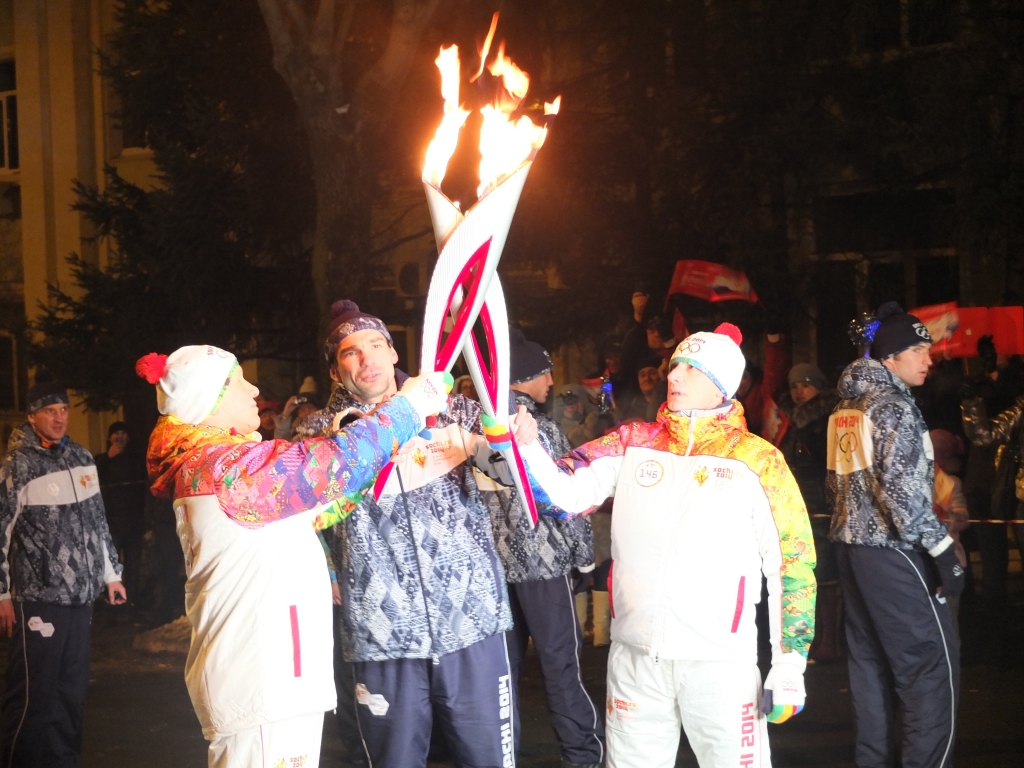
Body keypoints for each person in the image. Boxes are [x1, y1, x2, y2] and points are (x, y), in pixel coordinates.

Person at [518, 323, 817, 768]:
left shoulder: (758, 461)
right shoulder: (633, 442)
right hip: (636, 660)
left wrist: (789, 664)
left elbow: (791, 565)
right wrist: (525, 448)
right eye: (675, 364)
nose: (674, 376)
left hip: (719, 665)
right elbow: (565, 495)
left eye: (692, 370)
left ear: (720, 386)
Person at [138, 344, 448, 768]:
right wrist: (408, 407)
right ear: (205, 401)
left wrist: (385, 443)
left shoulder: (224, 468)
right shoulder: (226, 469)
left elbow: (323, 499)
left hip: (275, 678)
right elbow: (329, 465)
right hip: (261, 680)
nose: (253, 388)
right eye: (236, 381)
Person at [293, 300, 534, 768]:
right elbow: (304, 520)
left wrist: (515, 435)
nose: (368, 359)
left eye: (377, 344)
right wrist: (326, 572)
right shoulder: (318, 435)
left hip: (471, 618)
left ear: (394, 352)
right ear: (334, 371)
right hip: (383, 628)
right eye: (351, 351)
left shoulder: (451, 410)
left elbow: (508, 473)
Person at [826, 301, 963, 768]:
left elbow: (836, 485)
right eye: (919, 350)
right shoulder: (894, 405)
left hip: (851, 551)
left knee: (869, 669)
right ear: (891, 357)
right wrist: (944, 552)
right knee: (930, 670)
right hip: (894, 555)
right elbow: (904, 498)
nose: (929, 359)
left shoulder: (846, 406)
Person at [487, 329, 604, 768]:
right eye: (545, 373)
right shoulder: (543, 430)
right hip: (542, 566)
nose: (552, 381)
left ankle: (502, 756)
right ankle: (583, 755)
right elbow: (565, 502)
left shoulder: (483, 425)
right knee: (560, 666)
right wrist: (584, 557)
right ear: (526, 377)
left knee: (504, 672)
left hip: (494, 570)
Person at [0, 374, 127, 767]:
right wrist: (2, 595)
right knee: (33, 692)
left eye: (63, 410)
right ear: (32, 416)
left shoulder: (82, 458)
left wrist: (111, 574)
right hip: (38, 596)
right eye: (49, 411)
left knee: (70, 690)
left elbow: (98, 520)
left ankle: (61, 761)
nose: (59, 418)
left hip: (80, 597)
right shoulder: (17, 465)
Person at [95, 421, 149, 607]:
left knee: (133, 566)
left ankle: (130, 600)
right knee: (111, 564)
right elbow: (92, 479)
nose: (120, 436)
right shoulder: (102, 459)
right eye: (116, 433)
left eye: (124, 433)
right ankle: (110, 600)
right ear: (110, 437)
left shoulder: (136, 460)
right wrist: (108, 458)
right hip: (112, 523)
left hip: (133, 522)